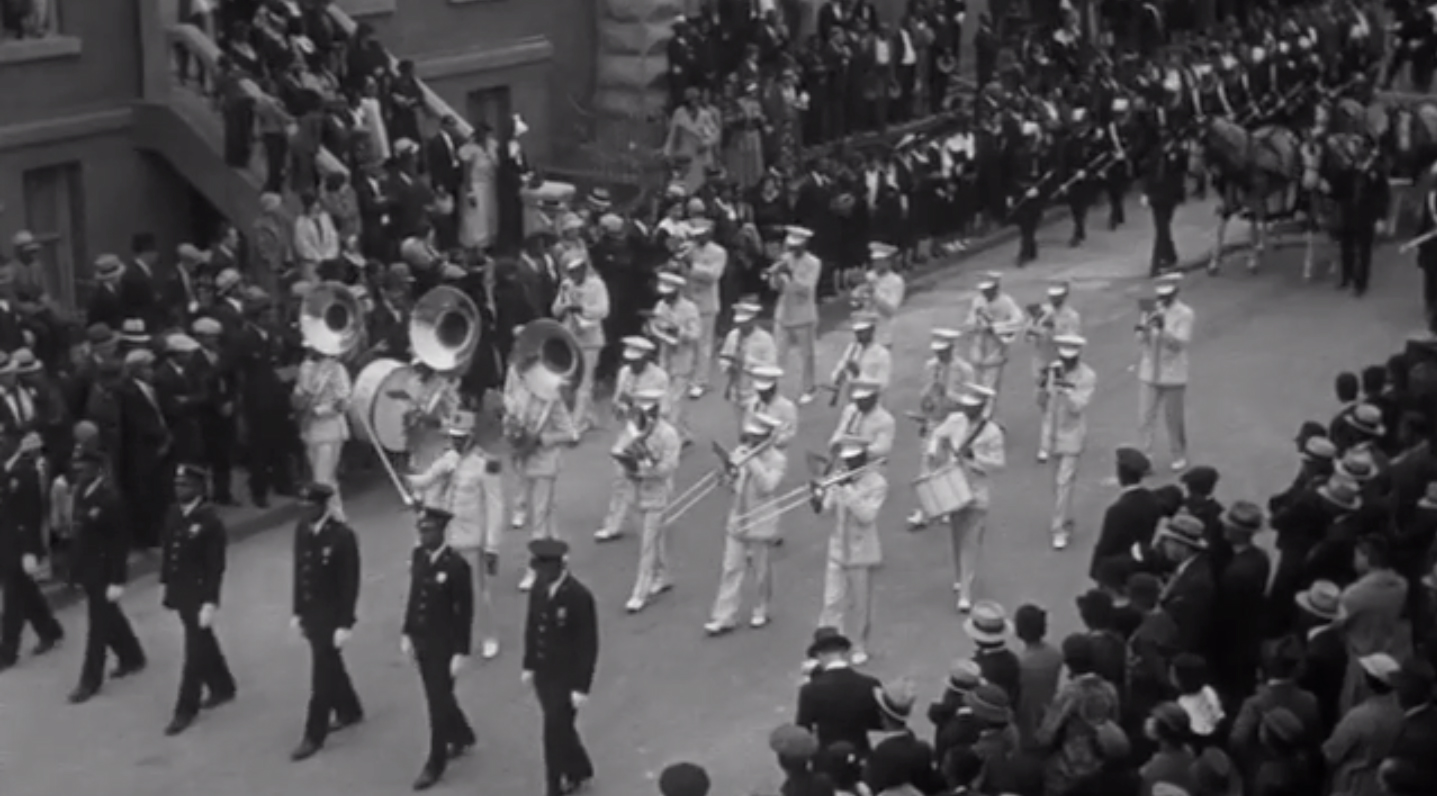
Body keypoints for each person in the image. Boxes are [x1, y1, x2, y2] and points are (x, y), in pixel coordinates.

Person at [407, 410, 505, 659]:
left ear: (472, 437)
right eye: (453, 437)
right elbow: (425, 480)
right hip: (448, 537)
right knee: (445, 589)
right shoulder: (449, 458)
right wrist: (408, 481)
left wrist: (492, 547)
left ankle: (489, 636)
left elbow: (496, 507)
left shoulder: (487, 464)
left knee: (476, 590)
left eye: (461, 437)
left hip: (472, 538)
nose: (456, 442)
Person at [401, 507, 477, 791]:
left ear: (441, 532)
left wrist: (461, 651)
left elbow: (464, 612)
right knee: (438, 695)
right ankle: (461, 733)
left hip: (445, 646)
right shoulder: (419, 557)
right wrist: (407, 630)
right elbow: (414, 595)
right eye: (421, 530)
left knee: (436, 702)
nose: (424, 535)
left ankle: (436, 761)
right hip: (422, 639)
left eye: (429, 530)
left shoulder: (456, 566)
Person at [287, 482, 364, 761]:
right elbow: (300, 571)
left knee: (321, 675)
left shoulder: (342, 536)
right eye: (303, 507)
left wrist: (346, 623)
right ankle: (349, 709)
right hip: (311, 611)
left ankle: (313, 734)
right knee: (330, 663)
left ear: (324, 506)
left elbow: (349, 584)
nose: (306, 512)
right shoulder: (302, 531)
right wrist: (297, 610)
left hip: (332, 616)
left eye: (311, 507)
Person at [159, 463, 237, 736]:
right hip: (182, 591)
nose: (180, 489)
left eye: (186, 485)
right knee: (202, 639)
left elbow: (216, 565)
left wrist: (210, 601)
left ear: (200, 489)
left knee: (193, 652)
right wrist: (166, 586)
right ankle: (222, 685)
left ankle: (185, 708)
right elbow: (170, 552)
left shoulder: (209, 521)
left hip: (200, 593)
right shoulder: (173, 513)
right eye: (177, 484)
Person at [66, 447, 145, 702]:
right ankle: (132, 656)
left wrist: (118, 579)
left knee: (97, 627)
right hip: (88, 567)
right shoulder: (80, 492)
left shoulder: (110, 499)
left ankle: (90, 680)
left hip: (104, 570)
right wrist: (74, 571)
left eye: (85, 466)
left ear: (97, 469)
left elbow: (119, 543)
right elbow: (80, 534)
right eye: (78, 466)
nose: (79, 470)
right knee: (109, 614)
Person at [502, 335, 580, 592]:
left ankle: (534, 568)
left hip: (546, 462)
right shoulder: (518, 387)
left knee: (539, 516)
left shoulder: (552, 398)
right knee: (547, 513)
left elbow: (570, 433)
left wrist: (542, 439)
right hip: (524, 458)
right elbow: (510, 413)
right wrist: (513, 432)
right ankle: (559, 554)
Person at [522, 538, 598, 796]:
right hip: (544, 674)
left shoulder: (578, 596)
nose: (542, 574)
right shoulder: (539, 589)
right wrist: (529, 663)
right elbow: (532, 627)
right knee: (560, 727)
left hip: (567, 678)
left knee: (552, 733)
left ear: (560, 566)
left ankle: (553, 787)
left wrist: (581, 686)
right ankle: (579, 767)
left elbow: (588, 644)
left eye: (546, 569)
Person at [706, 414, 787, 635]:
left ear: (767, 438)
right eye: (751, 437)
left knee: (760, 570)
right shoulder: (740, 452)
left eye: (758, 438)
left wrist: (751, 462)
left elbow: (767, 487)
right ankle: (724, 616)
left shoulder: (777, 459)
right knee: (730, 568)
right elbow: (733, 485)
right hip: (738, 517)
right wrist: (726, 475)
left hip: (761, 519)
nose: (752, 442)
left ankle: (762, 607)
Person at [604, 388, 683, 613]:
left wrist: (646, 467)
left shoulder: (668, 434)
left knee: (647, 545)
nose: (644, 418)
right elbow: (618, 450)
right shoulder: (632, 430)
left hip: (657, 493)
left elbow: (669, 467)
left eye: (649, 413)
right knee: (652, 539)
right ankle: (664, 574)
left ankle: (640, 592)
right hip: (635, 491)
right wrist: (626, 461)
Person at [928, 386, 1004, 611]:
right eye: (965, 406)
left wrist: (977, 458)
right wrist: (934, 454)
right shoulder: (955, 421)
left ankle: (965, 594)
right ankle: (961, 577)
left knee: (971, 541)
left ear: (981, 408)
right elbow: (937, 434)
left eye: (972, 407)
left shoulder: (992, 432)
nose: (967, 411)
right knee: (957, 536)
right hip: (955, 486)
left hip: (977, 491)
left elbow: (999, 463)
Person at [816, 439, 889, 665]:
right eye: (846, 461)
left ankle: (859, 644)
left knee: (860, 602)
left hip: (861, 551)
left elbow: (866, 516)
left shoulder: (877, 483)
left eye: (853, 461)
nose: (848, 464)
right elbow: (826, 511)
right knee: (831, 601)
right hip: (837, 548)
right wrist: (819, 498)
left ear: (863, 459)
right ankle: (831, 646)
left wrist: (847, 489)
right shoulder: (839, 477)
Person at [1043, 335, 1096, 550]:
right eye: (1064, 359)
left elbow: (1078, 406)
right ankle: (1065, 517)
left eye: (1070, 360)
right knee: (1057, 484)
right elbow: (1046, 399)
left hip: (1073, 434)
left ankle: (1058, 529)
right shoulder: (1054, 370)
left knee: (1064, 482)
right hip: (1053, 433)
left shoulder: (1087, 376)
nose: (1066, 364)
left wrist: (1067, 392)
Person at [1136, 274, 1195, 471]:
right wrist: (1144, 330)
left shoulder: (1185, 314)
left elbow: (1180, 343)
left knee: (1173, 419)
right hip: (1150, 370)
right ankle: (1145, 457)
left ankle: (1178, 453)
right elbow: (1140, 339)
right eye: (1161, 296)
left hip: (1173, 373)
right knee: (1144, 418)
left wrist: (1163, 331)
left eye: (1168, 296)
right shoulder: (1152, 310)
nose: (1164, 300)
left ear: (1176, 293)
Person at [796, 626, 883, 755]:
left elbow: (803, 730)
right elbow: (878, 722)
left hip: (826, 757)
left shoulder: (810, 690)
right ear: (843, 652)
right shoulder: (870, 684)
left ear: (819, 655)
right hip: (861, 753)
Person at [292, 342, 352, 519]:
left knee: (322, 479)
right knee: (327, 479)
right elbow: (300, 393)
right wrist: (298, 399)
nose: (310, 350)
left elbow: (344, 401)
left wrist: (319, 411)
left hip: (330, 430)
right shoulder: (305, 367)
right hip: (310, 431)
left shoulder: (336, 369)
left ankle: (325, 517)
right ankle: (337, 516)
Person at [553, 253, 610, 435]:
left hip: (591, 339)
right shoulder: (566, 285)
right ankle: (590, 417)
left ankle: (575, 426)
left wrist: (582, 309)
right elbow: (555, 311)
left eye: (578, 271)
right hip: (571, 338)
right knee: (573, 382)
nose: (574, 275)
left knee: (584, 383)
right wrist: (564, 304)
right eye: (571, 272)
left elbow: (603, 310)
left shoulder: (597, 285)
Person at [770, 226, 822, 403]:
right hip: (783, 313)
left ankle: (809, 388)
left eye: (796, 246)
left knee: (806, 355)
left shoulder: (813, 263)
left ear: (805, 245)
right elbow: (775, 288)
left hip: (803, 315)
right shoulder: (784, 259)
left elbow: (806, 289)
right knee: (777, 354)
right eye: (790, 246)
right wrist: (776, 276)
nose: (792, 250)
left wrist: (790, 274)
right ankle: (772, 389)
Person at [1027, 283, 1082, 449]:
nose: (1054, 302)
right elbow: (1028, 335)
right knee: (1041, 399)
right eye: (1052, 299)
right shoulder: (1043, 312)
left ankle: (1055, 437)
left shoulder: (1071, 316)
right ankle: (1052, 431)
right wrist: (1034, 324)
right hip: (1041, 360)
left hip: (1060, 363)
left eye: (1058, 299)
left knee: (1058, 401)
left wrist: (1054, 330)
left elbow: (1072, 341)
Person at [650, 272, 701, 440]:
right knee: (667, 395)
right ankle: (684, 432)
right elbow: (654, 326)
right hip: (665, 354)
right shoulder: (661, 306)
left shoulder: (689, 308)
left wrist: (679, 331)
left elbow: (696, 334)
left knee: (675, 400)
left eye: (669, 294)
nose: (666, 297)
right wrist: (658, 332)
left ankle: (670, 437)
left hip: (683, 356)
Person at [962, 271, 1024, 400]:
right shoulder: (978, 301)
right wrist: (973, 325)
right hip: (979, 344)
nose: (985, 293)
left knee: (990, 386)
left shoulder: (1006, 302)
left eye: (988, 290)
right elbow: (970, 320)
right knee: (976, 384)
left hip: (995, 346)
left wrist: (997, 327)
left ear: (996, 288)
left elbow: (1018, 320)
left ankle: (986, 414)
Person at [716, 300, 777, 426]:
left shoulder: (765, 339)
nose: (741, 327)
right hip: (737, 390)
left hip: (756, 391)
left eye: (744, 323)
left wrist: (746, 362)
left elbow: (771, 365)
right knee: (740, 428)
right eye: (739, 324)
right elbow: (724, 357)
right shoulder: (732, 336)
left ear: (752, 321)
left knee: (754, 427)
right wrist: (727, 366)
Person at [686, 218, 728, 398]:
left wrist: (691, 265)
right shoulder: (688, 249)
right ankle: (687, 376)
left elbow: (713, 276)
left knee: (703, 343)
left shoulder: (719, 252)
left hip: (706, 302)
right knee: (688, 342)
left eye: (701, 236)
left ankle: (700, 381)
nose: (698, 239)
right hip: (687, 302)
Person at [827, 312, 892, 406]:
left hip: (872, 402)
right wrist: (837, 376)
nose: (859, 336)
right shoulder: (852, 348)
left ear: (871, 330)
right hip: (852, 400)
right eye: (857, 332)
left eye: (862, 332)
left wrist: (859, 374)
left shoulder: (882, 354)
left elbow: (882, 385)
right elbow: (840, 366)